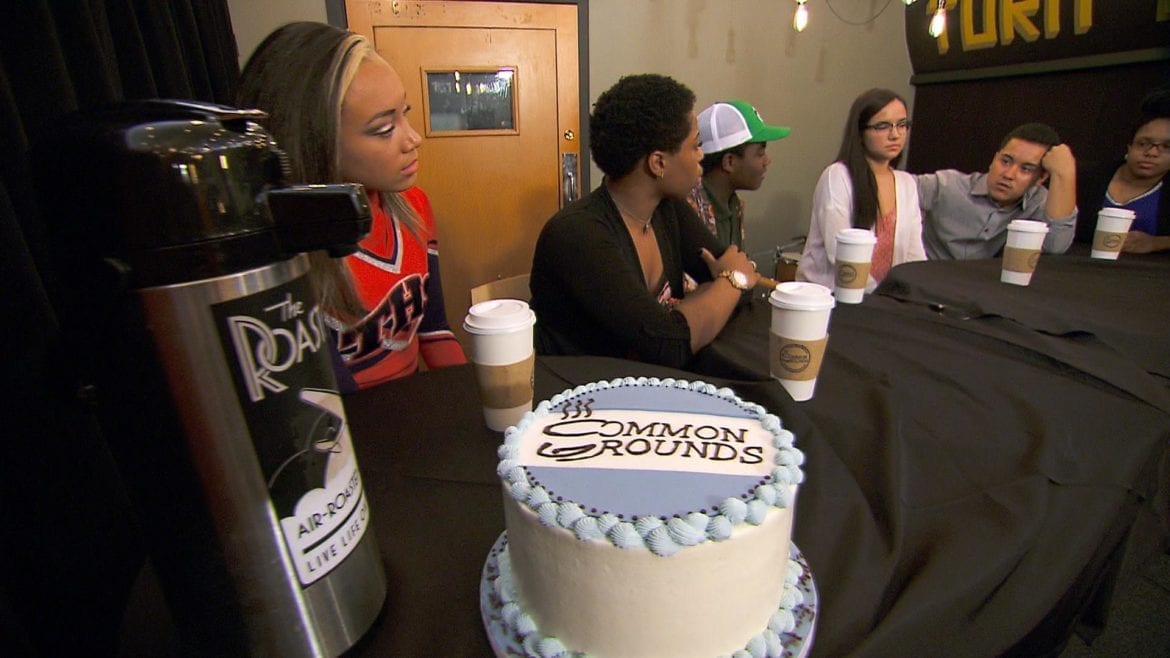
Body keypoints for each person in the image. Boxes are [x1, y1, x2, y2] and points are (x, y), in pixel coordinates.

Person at [236, 22, 466, 391]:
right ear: (315, 144)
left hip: (414, 407)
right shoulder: (282, 251)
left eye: (404, 112)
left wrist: (471, 396)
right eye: (384, 128)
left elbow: (434, 329)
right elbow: (322, 395)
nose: (413, 138)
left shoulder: (414, 206)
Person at [529, 73, 761, 369]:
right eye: (695, 145)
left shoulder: (667, 209)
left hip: (641, 379)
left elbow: (742, 286)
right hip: (580, 388)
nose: (702, 156)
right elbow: (670, 347)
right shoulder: (577, 235)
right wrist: (731, 281)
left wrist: (718, 291)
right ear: (658, 163)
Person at [796, 88, 926, 290]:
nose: (895, 134)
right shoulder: (837, 176)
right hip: (830, 297)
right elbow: (841, 255)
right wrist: (881, 296)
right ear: (860, 132)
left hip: (885, 300)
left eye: (902, 125)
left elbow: (914, 256)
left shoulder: (906, 183)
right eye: (882, 126)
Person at [917, 123, 1077, 260]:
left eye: (1026, 169)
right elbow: (903, 186)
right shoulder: (947, 185)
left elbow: (1056, 246)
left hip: (985, 284)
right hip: (926, 278)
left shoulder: (1041, 204)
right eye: (1005, 161)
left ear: (1041, 177)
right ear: (994, 159)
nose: (1008, 174)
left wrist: (1065, 174)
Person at [687, 99, 791, 249]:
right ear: (729, 162)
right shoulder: (688, 212)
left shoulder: (734, 205)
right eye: (760, 153)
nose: (767, 161)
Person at [1075, 91, 1170, 253]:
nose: (1152, 152)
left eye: (1166, 147)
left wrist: (1157, 243)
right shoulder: (1084, 178)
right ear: (1129, 146)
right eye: (1143, 143)